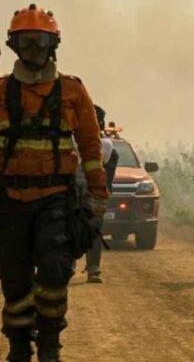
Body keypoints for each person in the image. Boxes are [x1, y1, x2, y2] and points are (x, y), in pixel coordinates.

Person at [0, 4, 108, 362]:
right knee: (14, 279)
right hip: (9, 198)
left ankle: (51, 345)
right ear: (14, 46)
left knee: (56, 271)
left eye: (40, 42)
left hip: (56, 198)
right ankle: (17, 345)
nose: (33, 50)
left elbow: (90, 147)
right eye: (26, 43)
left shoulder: (73, 91)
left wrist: (98, 194)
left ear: (52, 44)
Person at [82, 104, 118, 284]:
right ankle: (93, 270)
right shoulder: (107, 145)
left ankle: (85, 268)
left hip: (82, 193)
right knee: (93, 230)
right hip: (93, 194)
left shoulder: (104, 145)